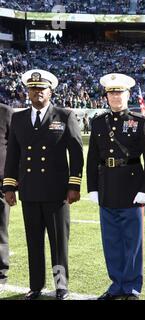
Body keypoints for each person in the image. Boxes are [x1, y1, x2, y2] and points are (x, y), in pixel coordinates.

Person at [3, 69, 84, 300]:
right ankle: (36, 286)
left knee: (58, 244)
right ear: (27, 91)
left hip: (56, 193)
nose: (37, 92)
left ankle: (61, 286)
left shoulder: (64, 115)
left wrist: (74, 185)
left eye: (41, 88)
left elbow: (76, 154)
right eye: (33, 88)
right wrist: (9, 187)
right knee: (34, 242)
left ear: (51, 91)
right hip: (29, 191)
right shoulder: (18, 118)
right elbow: (12, 156)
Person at [87, 73, 145, 300]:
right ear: (106, 96)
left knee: (132, 242)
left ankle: (132, 287)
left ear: (128, 94)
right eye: (112, 92)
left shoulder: (140, 121)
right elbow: (92, 158)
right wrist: (92, 188)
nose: (116, 96)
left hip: (133, 189)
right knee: (112, 241)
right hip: (106, 187)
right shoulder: (97, 123)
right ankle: (116, 285)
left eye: (120, 92)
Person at [0, 103, 13, 287]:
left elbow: (15, 148)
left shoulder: (6, 112)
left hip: (0, 182)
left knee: (0, 230)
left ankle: (0, 273)